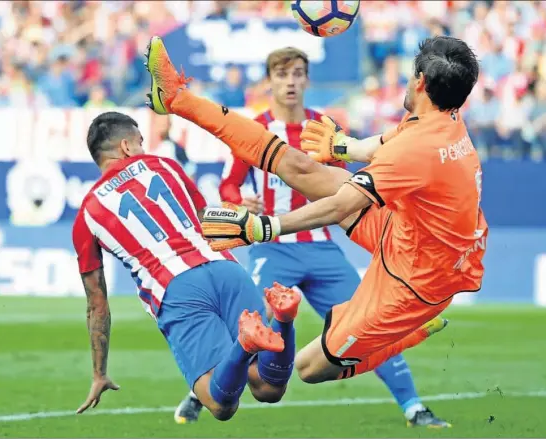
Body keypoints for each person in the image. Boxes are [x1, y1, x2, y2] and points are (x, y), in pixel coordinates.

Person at [144, 34, 485, 394]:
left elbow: (342, 206)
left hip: (415, 282)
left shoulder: (418, 148)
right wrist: (343, 146)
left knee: (308, 368)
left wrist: (265, 227)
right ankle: (177, 99)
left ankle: (406, 335)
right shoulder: (441, 116)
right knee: (303, 168)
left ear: (420, 81)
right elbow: (384, 144)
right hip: (412, 234)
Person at [72, 111, 303, 421]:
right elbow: (207, 219)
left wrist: (99, 372)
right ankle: (284, 321)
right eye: (141, 142)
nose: (144, 147)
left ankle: (244, 344)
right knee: (269, 387)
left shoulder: (87, 212)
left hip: (176, 288)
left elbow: (96, 304)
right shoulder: (165, 165)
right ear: (126, 146)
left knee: (221, 404)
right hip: (225, 268)